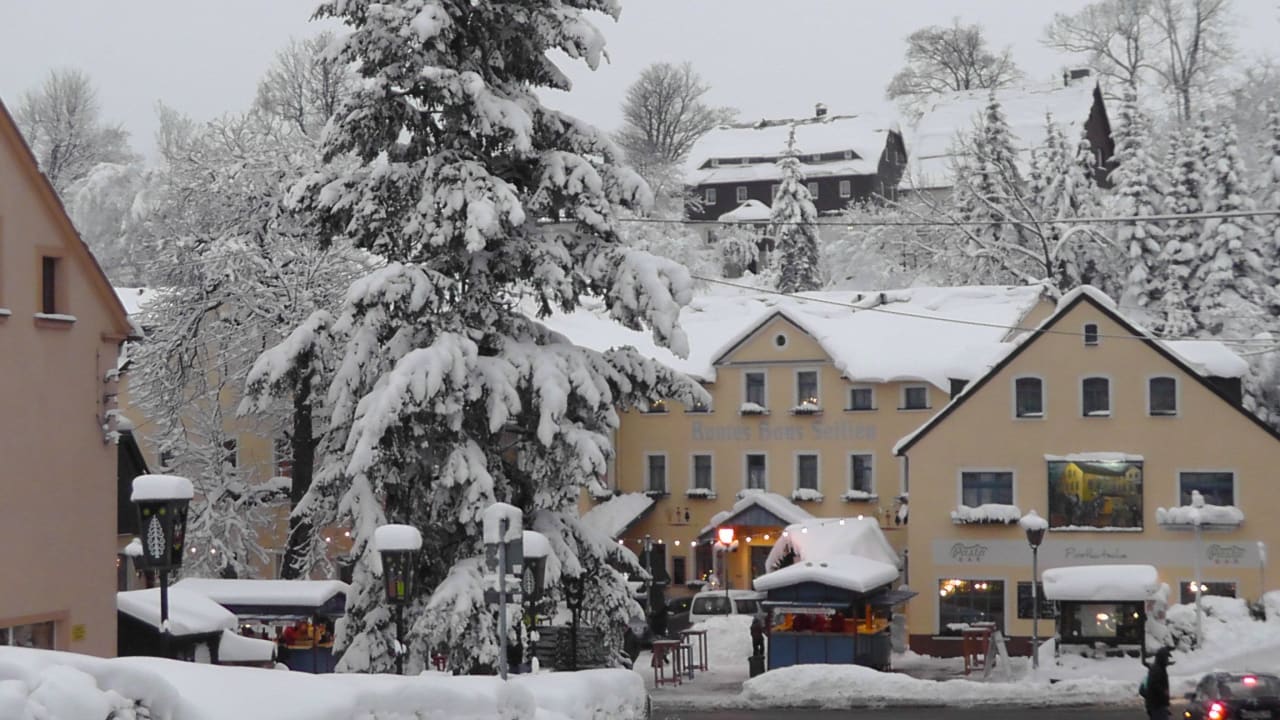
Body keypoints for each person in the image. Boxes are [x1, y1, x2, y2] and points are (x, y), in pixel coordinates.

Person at [1140, 647, 1173, 719]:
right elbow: (1155, 686)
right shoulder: (1157, 670)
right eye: (1166, 658)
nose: (1167, 660)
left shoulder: (1158, 668)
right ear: (1162, 658)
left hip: (1156, 705)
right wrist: (1163, 694)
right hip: (1157, 706)